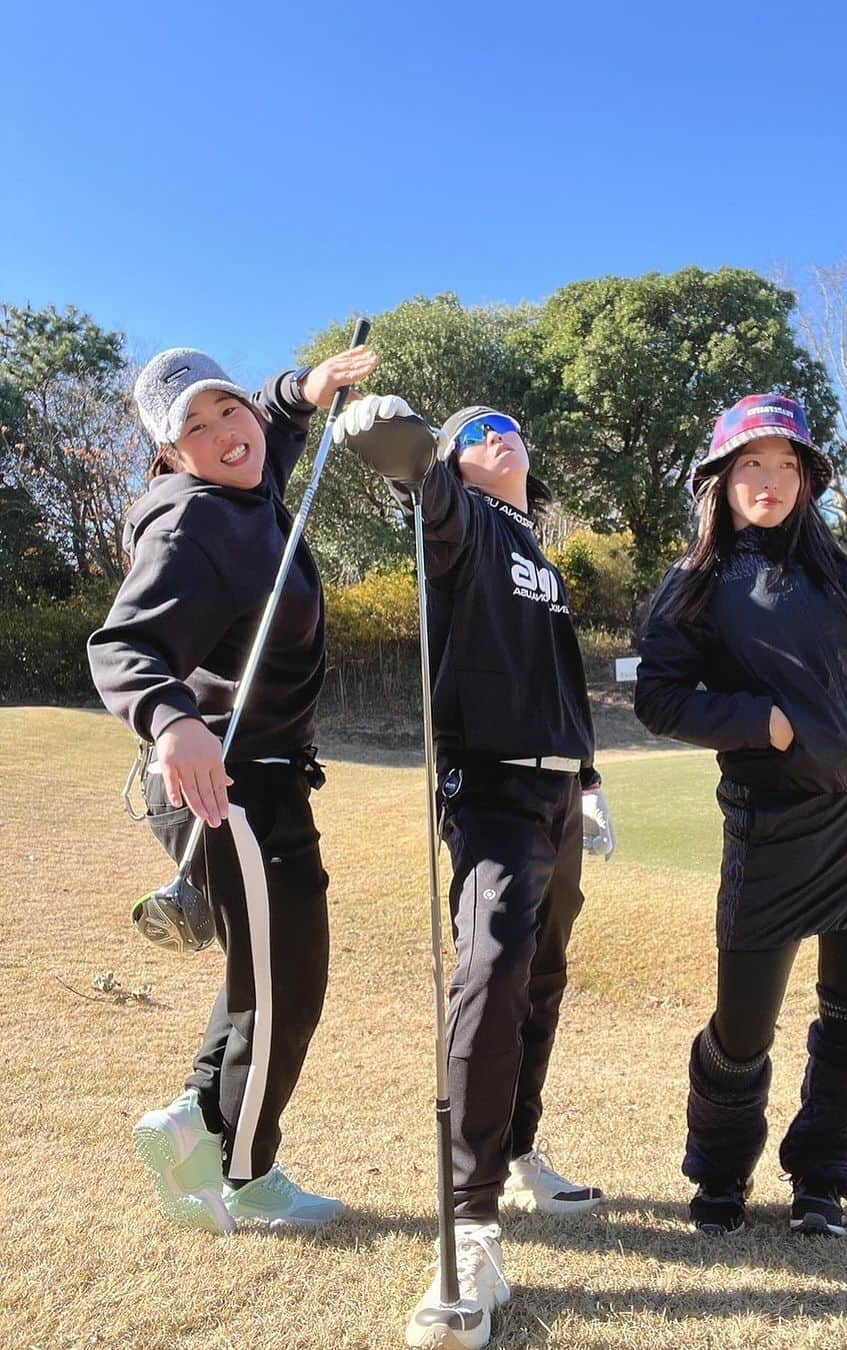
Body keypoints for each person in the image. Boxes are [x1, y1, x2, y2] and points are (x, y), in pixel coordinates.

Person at [633, 393, 847, 1238]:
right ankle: (718, 1179)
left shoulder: (838, 572)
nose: (769, 479)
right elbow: (660, 697)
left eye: (787, 465)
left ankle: (822, 1179)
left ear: (808, 480)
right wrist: (759, 721)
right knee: (742, 1029)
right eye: (752, 463)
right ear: (720, 477)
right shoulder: (696, 583)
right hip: (774, 823)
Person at [332, 395, 615, 1349]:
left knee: (542, 976)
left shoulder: (541, 548)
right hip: (488, 788)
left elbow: (562, 678)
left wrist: (590, 777)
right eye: (468, 438)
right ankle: (473, 1216)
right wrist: (406, 440)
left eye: (501, 429)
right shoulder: (460, 521)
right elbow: (433, 506)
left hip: (557, 793)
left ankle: (523, 1146)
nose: (490, 440)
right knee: (491, 971)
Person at [87, 340, 378, 1232]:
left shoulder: (247, 490)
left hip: (268, 784)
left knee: (269, 970)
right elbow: (123, 647)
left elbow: (273, 434)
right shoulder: (194, 524)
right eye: (196, 429)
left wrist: (303, 389)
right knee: (289, 975)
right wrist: (172, 720)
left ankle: (191, 1121)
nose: (225, 432)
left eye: (229, 410)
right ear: (171, 456)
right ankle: (247, 1176)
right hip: (225, 788)